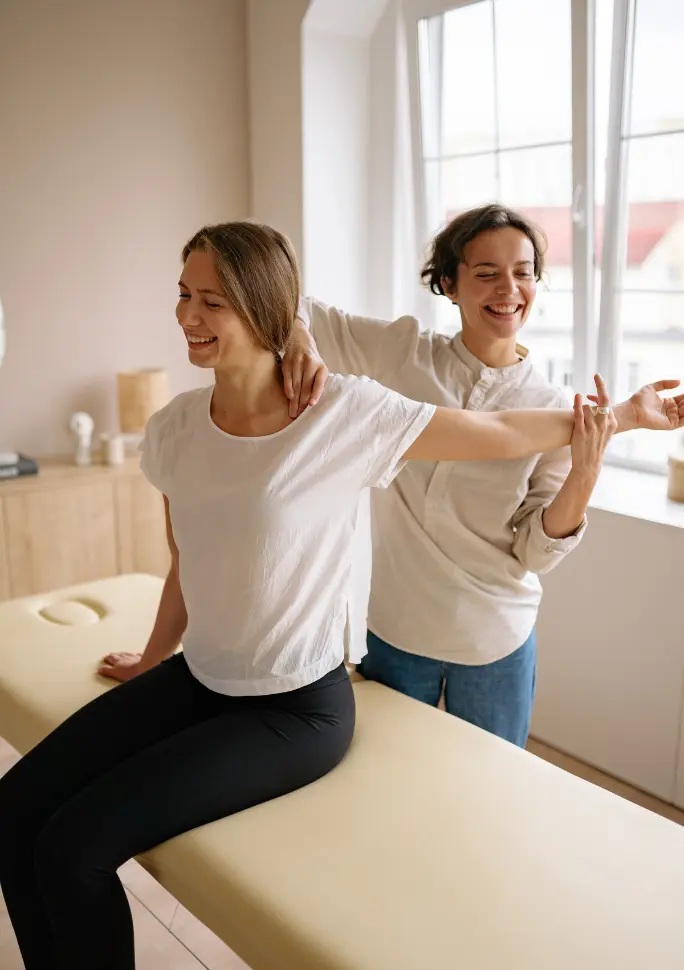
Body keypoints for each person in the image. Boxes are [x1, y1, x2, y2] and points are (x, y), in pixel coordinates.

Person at [0, 219, 647, 970]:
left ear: (266, 308)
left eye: (213, 301)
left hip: (295, 708)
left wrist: (621, 417)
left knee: (75, 848)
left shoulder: (340, 414)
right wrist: (153, 657)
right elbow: (187, 561)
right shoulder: (176, 426)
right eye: (183, 295)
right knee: (14, 815)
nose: (187, 317)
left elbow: (497, 430)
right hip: (200, 676)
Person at [282, 203, 684, 746]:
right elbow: (296, 307)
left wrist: (585, 474)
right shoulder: (402, 354)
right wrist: (303, 341)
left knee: (491, 803)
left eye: (523, 272)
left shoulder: (554, 407)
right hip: (399, 630)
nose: (508, 289)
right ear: (449, 283)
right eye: (487, 273)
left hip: (495, 640)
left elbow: (534, 554)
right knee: (391, 788)